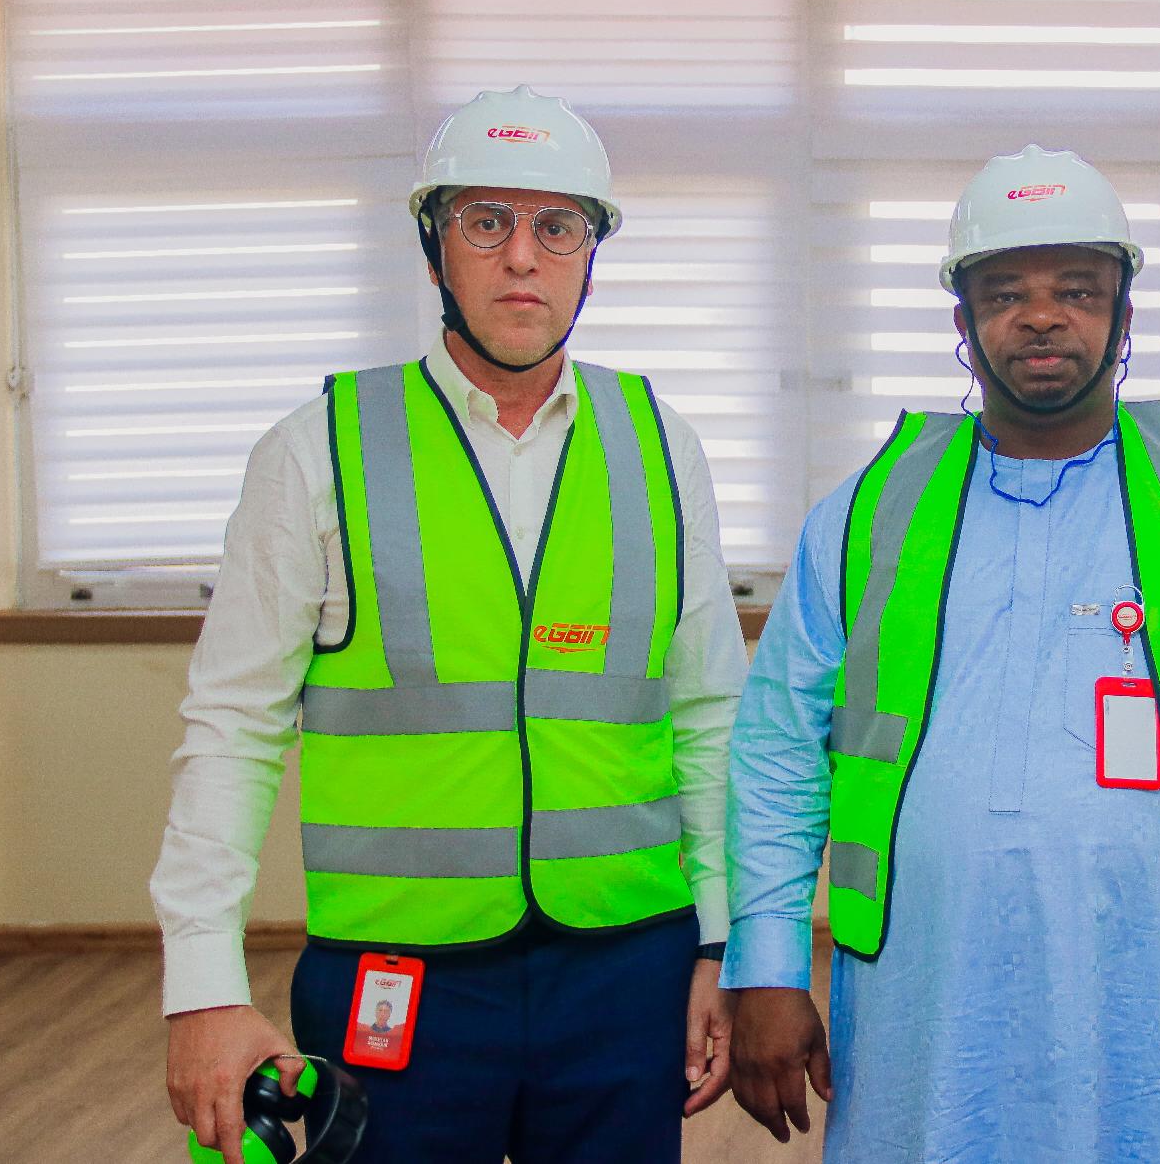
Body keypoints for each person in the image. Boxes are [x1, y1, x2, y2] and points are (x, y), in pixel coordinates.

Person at [721, 144, 1160, 1162]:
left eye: (1076, 288)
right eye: (1005, 293)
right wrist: (768, 965)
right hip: (921, 1005)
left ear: (1124, 312)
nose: (1040, 316)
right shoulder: (864, 514)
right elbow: (776, 756)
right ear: (962, 322)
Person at [153, 86, 747, 1164]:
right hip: (395, 979)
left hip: (626, 974)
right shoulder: (317, 449)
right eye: (486, 221)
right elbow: (233, 727)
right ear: (433, 247)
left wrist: (721, 944)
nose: (522, 256)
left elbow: (708, 714)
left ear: (591, 256)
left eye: (556, 226)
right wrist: (201, 983)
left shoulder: (663, 447)